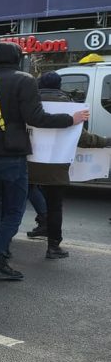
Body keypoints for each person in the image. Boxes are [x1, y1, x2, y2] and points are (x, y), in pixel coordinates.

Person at [0, 42, 89, 280]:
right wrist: (69, 119)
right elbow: (36, 118)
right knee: (14, 210)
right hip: (12, 156)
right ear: (18, 59)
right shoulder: (25, 80)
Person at [28, 72, 110, 259]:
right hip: (56, 167)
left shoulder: (29, 104)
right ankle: (53, 247)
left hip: (27, 165)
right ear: (60, 85)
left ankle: (1, 249)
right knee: (55, 206)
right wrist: (106, 141)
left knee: (13, 205)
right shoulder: (71, 107)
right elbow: (83, 139)